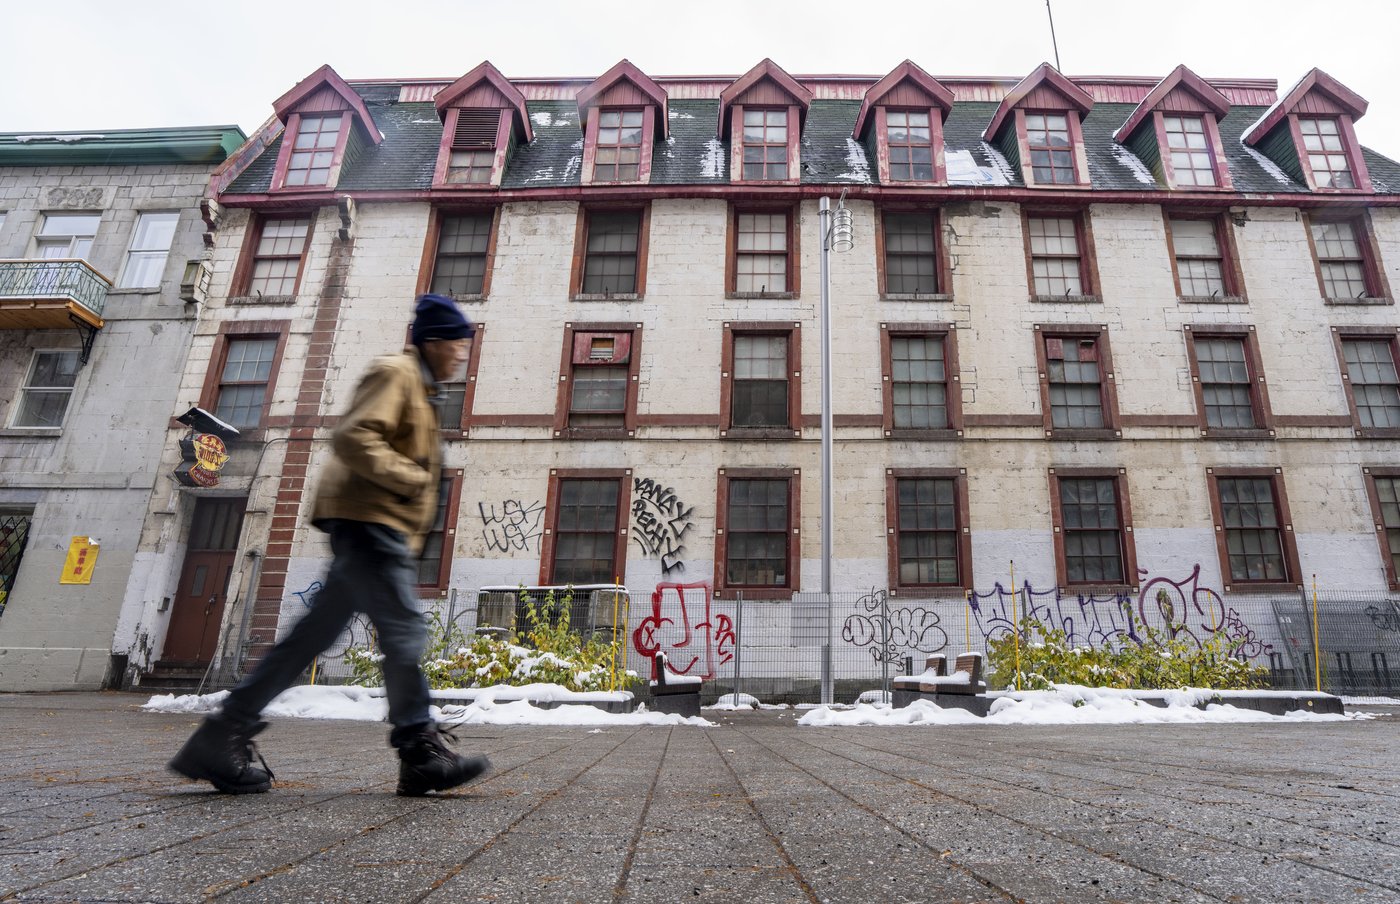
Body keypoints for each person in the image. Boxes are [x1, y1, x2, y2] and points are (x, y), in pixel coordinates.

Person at [170, 293, 489, 797]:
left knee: (311, 638)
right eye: (456, 344)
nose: (461, 354)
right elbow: (355, 437)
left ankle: (222, 734)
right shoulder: (397, 373)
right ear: (432, 341)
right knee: (403, 631)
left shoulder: (419, 388)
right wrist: (412, 479)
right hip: (371, 522)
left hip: (373, 524)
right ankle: (419, 749)